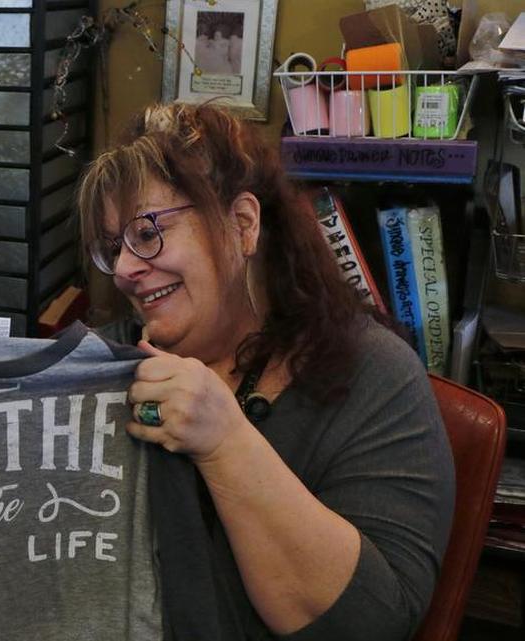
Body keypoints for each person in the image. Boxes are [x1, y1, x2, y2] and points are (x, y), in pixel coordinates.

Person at [76, 103, 454, 639]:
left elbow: (369, 623)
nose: (124, 270)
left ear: (242, 224)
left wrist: (225, 440)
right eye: (112, 248)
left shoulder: (376, 376)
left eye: (146, 232)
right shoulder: (110, 359)